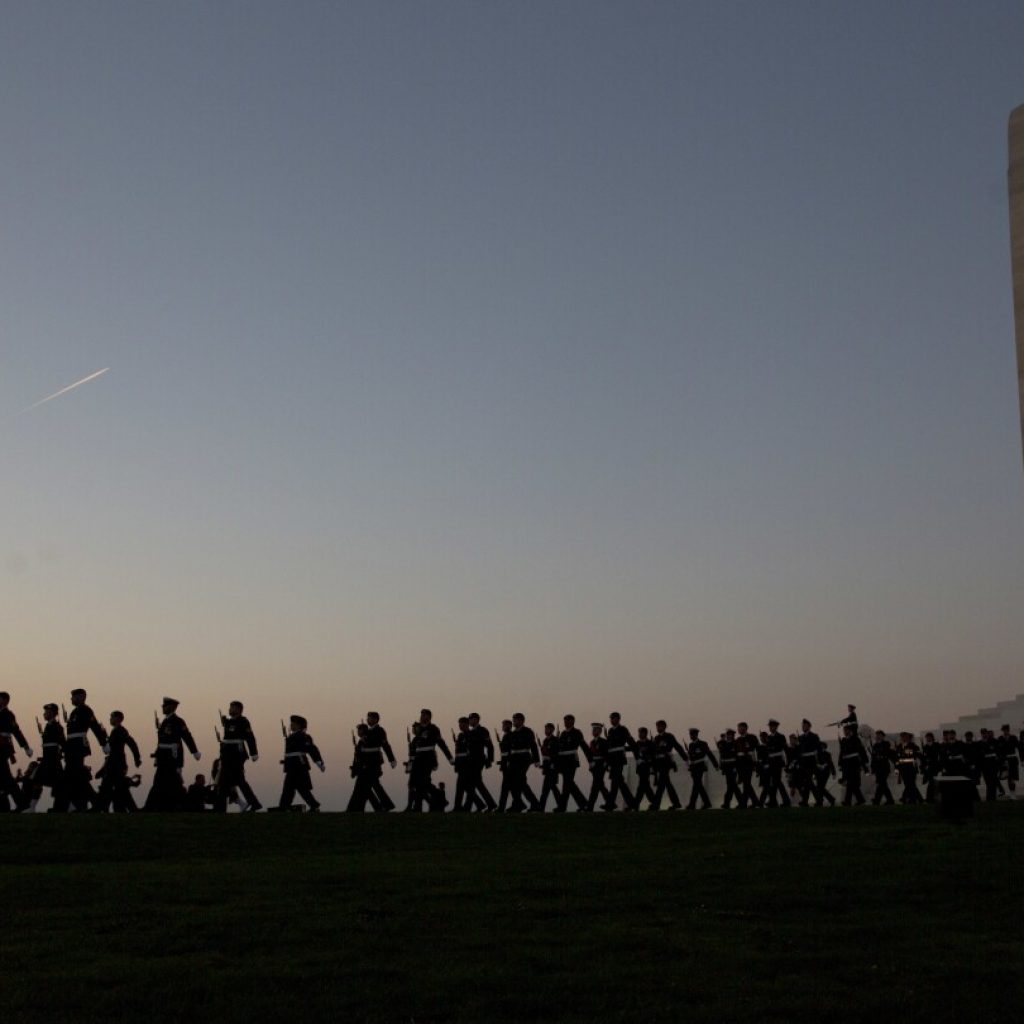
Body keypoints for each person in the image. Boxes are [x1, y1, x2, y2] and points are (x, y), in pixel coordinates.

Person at [144, 697, 199, 812]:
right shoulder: (164, 722)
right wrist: (157, 755)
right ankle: (154, 807)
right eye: (163, 706)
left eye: (165, 706)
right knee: (160, 782)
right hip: (163, 757)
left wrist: (194, 751)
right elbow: (161, 742)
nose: (163, 708)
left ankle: (183, 807)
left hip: (172, 757)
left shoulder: (178, 721)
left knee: (173, 783)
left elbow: (187, 737)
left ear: (173, 707)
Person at [59, 688, 107, 812]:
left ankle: (68, 806)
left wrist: (103, 743)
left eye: (74, 697)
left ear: (81, 697)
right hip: (71, 747)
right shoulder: (74, 712)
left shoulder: (86, 710)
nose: (71, 699)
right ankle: (84, 805)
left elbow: (95, 726)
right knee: (75, 777)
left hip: (78, 747)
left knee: (73, 776)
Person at [215, 701, 261, 813]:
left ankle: (254, 803)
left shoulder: (243, 721)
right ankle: (221, 809)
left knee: (239, 781)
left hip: (236, 755)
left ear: (239, 710)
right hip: (227, 755)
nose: (230, 710)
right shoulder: (229, 722)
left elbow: (250, 737)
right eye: (230, 707)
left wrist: (253, 753)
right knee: (224, 782)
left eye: (232, 708)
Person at [94, 711, 142, 812]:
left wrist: (137, 758)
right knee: (110, 787)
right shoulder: (114, 731)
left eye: (112, 717)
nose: (110, 719)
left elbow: (131, 744)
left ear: (118, 719)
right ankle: (100, 807)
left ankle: (100, 808)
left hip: (118, 764)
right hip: (113, 763)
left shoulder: (121, 730)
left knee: (115, 787)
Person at [408, 709, 454, 812]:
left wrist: (449, 757)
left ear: (429, 717)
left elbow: (441, 744)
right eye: (421, 715)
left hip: (428, 758)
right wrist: (411, 762)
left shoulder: (433, 729)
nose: (421, 717)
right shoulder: (418, 729)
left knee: (423, 782)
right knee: (416, 783)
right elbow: (414, 746)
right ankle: (420, 806)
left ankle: (424, 805)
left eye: (424, 715)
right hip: (418, 759)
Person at [278, 715, 324, 812]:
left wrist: (319, 762)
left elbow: (312, 749)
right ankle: (312, 805)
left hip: (299, 766)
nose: (291, 725)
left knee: (292, 788)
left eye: (293, 723)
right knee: (297, 788)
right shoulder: (292, 736)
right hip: (292, 766)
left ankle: (284, 807)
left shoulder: (304, 736)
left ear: (299, 725)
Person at [0, 692, 33, 812]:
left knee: (6, 777)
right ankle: (5, 806)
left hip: (2, 748)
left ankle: (21, 802)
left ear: (5, 701)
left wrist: (25, 747)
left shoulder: (8, 715)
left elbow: (16, 731)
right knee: (4, 777)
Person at [554, 714, 591, 812]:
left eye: (568, 720)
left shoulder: (577, 732)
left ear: (572, 721)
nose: (566, 722)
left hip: (571, 761)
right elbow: (559, 749)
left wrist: (591, 760)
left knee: (567, 784)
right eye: (565, 720)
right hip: (563, 762)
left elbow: (584, 747)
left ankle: (562, 807)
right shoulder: (563, 734)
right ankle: (583, 804)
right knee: (569, 784)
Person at [33, 704, 66, 812]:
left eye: (46, 712)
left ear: (53, 713)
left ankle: (61, 807)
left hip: (52, 759)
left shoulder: (57, 726)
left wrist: (65, 753)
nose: (44, 714)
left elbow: (62, 743)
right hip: (48, 758)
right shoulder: (48, 726)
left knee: (58, 784)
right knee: (58, 784)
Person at [506, 713, 541, 812]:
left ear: (522, 721)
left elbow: (533, 746)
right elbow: (510, 749)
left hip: (523, 759)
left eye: (515, 720)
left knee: (520, 781)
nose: (514, 722)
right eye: (513, 720)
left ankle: (525, 804)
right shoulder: (512, 734)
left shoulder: (527, 731)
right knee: (512, 782)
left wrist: (537, 760)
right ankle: (521, 803)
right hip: (514, 760)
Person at [363, 712, 397, 811]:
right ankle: (382, 806)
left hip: (374, 761)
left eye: (369, 718)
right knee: (369, 785)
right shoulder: (368, 732)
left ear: (375, 720)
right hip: (367, 761)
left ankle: (386, 805)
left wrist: (391, 759)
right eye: (367, 718)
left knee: (374, 784)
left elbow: (385, 745)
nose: (367, 720)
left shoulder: (380, 731)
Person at [603, 712, 637, 811]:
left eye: (613, 718)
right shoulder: (610, 731)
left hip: (619, 758)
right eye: (611, 718)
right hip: (613, 759)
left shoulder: (623, 729)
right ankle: (632, 803)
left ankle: (610, 804)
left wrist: (637, 752)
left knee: (616, 782)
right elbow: (609, 746)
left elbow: (630, 741)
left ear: (618, 719)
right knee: (618, 783)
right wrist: (608, 761)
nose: (611, 720)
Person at [651, 721, 687, 810]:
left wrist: (685, 758)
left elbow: (677, 747)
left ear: (664, 727)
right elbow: (654, 753)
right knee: (666, 784)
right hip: (659, 763)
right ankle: (676, 803)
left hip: (666, 763)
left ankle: (656, 804)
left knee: (661, 784)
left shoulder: (669, 736)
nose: (658, 728)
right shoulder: (656, 738)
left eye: (660, 726)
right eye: (657, 726)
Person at [466, 713, 496, 811]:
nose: (470, 721)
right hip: (470, 761)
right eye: (469, 719)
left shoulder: (482, 731)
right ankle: (487, 804)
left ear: (476, 720)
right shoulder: (470, 732)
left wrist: (490, 760)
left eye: (471, 719)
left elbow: (490, 746)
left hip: (478, 760)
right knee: (476, 783)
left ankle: (484, 804)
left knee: (473, 783)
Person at [684, 728, 719, 810]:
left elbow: (709, 754)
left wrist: (715, 764)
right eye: (691, 735)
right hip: (693, 768)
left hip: (700, 767)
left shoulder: (703, 744)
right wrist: (688, 765)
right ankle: (707, 803)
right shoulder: (691, 745)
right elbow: (691, 757)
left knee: (696, 785)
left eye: (693, 734)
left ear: (696, 735)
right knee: (699, 786)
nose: (692, 736)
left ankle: (692, 804)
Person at [762, 719, 790, 807]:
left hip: (777, 761)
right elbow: (767, 752)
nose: (770, 728)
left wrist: (787, 763)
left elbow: (785, 750)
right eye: (770, 726)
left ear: (776, 727)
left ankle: (785, 801)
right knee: (773, 782)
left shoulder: (781, 737)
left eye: (772, 726)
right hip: (770, 762)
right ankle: (773, 801)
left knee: (777, 782)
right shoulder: (768, 738)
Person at [838, 724, 868, 806]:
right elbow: (842, 753)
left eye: (846, 730)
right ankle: (859, 800)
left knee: (852, 783)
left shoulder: (855, 739)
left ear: (850, 731)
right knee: (852, 783)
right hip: (846, 764)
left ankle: (849, 801)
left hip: (854, 763)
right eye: (844, 730)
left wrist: (864, 761)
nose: (844, 732)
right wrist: (840, 763)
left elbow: (861, 750)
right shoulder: (844, 740)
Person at [451, 718, 477, 812]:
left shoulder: (472, 735)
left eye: (462, 724)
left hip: (469, 765)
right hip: (461, 765)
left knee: (470, 788)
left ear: (466, 724)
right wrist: (456, 765)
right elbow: (458, 752)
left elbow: (474, 751)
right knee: (460, 787)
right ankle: (457, 807)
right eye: (459, 724)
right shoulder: (460, 736)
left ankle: (467, 807)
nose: (460, 726)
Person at [795, 720, 823, 806]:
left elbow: (819, 750)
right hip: (804, 762)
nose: (803, 727)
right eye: (802, 725)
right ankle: (807, 801)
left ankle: (817, 800)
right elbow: (799, 752)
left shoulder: (814, 736)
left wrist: (819, 762)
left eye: (804, 725)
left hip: (811, 761)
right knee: (807, 782)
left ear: (809, 726)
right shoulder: (800, 738)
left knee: (809, 782)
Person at [733, 723, 760, 808]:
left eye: (741, 728)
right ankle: (755, 801)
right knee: (746, 783)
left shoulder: (752, 738)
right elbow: (737, 754)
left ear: (745, 728)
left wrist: (756, 763)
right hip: (741, 765)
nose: (739, 730)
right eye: (738, 728)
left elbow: (757, 750)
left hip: (749, 763)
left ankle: (743, 803)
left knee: (746, 783)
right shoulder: (737, 740)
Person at [537, 723, 562, 812]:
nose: (546, 731)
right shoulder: (545, 741)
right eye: (545, 729)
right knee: (545, 789)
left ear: (552, 730)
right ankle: (541, 807)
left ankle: (561, 805)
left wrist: (553, 764)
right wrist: (543, 765)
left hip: (553, 768)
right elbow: (545, 756)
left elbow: (556, 754)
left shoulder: (555, 740)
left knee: (552, 787)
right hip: (547, 768)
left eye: (547, 729)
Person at [586, 723, 610, 812]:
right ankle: (610, 802)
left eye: (596, 730)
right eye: (593, 730)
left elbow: (606, 754)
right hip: (594, 766)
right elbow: (590, 755)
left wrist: (605, 763)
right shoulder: (592, 742)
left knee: (596, 786)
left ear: (600, 731)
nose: (594, 731)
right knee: (599, 785)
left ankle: (590, 806)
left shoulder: (603, 742)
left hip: (601, 765)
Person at [893, 732, 923, 804]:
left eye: (905, 737)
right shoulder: (899, 746)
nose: (904, 738)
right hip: (903, 768)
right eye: (902, 737)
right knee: (908, 784)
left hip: (911, 768)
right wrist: (897, 768)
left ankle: (912, 799)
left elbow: (919, 755)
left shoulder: (913, 746)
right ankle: (918, 798)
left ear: (909, 738)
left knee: (911, 784)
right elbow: (896, 758)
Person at [633, 727, 656, 808]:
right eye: (639, 733)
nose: (639, 734)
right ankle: (654, 802)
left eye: (641, 733)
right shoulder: (637, 743)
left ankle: (636, 803)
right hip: (640, 767)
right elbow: (635, 753)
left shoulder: (650, 743)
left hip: (647, 767)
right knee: (645, 785)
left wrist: (652, 767)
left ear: (645, 734)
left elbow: (652, 756)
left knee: (642, 785)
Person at [717, 729, 740, 809]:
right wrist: (721, 766)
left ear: (733, 736)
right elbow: (722, 757)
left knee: (732, 785)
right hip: (727, 768)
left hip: (733, 767)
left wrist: (736, 767)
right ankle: (739, 802)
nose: (729, 736)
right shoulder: (724, 744)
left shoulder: (736, 744)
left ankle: (727, 803)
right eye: (728, 734)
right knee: (731, 786)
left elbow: (737, 757)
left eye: (731, 734)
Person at [870, 730, 895, 806]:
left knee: (882, 783)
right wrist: (873, 767)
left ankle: (877, 800)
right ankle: (889, 800)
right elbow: (873, 757)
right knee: (883, 784)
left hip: (884, 767)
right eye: (877, 735)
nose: (877, 736)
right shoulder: (874, 746)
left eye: (879, 735)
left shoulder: (886, 744)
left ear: (883, 736)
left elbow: (888, 753)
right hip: (877, 767)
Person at [997, 724, 1020, 795]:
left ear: (1008, 730)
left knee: (1012, 777)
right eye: (1004, 730)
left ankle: (1013, 794)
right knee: (1008, 778)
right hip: (1004, 760)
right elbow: (998, 751)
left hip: (1012, 759)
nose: (1005, 731)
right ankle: (1012, 794)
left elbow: (1019, 747)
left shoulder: (1013, 737)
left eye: (1007, 730)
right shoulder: (1000, 738)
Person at [815, 741, 837, 805]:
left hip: (825, 772)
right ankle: (827, 800)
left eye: (823, 746)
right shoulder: (817, 754)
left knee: (820, 787)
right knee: (820, 788)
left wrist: (833, 772)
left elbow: (830, 763)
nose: (822, 748)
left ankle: (822, 801)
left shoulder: (827, 754)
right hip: (818, 772)